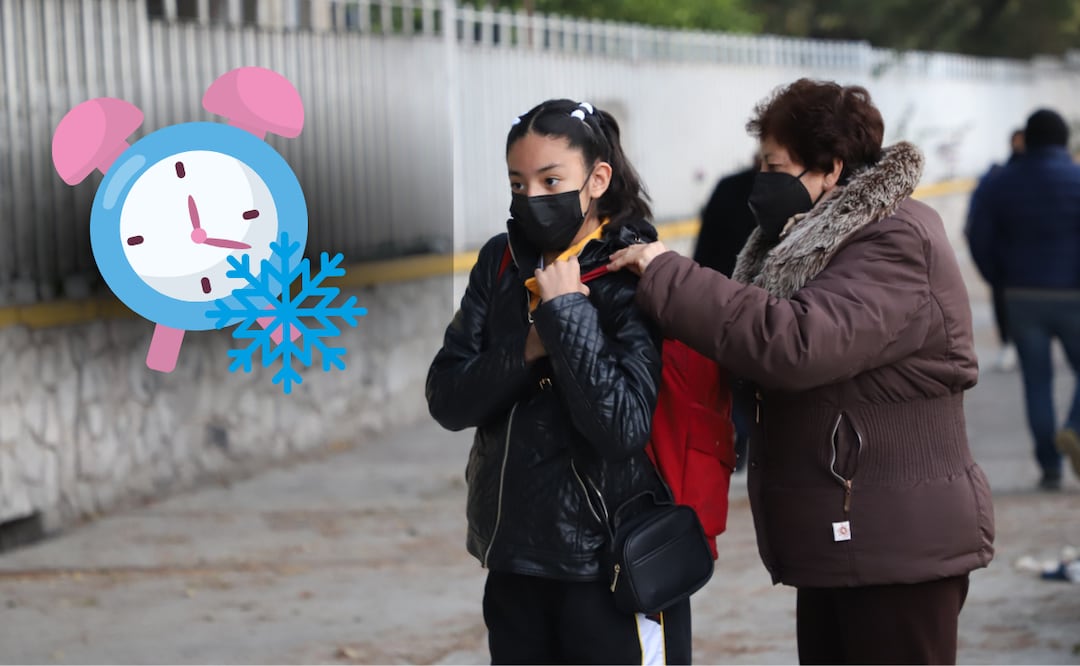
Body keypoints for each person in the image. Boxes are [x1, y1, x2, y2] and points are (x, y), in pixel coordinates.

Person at [609, 78, 995, 665]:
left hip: (895, 543)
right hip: (844, 531)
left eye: (775, 164)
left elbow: (795, 343)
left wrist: (668, 275)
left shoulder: (892, 239)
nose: (761, 179)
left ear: (831, 169)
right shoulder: (807, 242)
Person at [425, 99, 691, 664]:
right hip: (513, 558)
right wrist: (530, 346)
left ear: (597, 179)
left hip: (609, 562)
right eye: (518, 185)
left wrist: (567, 314)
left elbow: (620, 426)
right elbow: (447, 398)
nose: (532, 199)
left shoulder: (631, 271)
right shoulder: (501, 262)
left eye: (551, 180)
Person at [967, 108, 1080, 491]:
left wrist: (998, 277)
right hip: (1073, 295)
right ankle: (1075, 428)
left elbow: (977, 233)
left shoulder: (1001, 182)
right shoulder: (1077, 178)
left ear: (1026, 140)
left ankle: (1049, 467)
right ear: (1065, 141)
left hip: (1021, 295)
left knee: (1037, 382)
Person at [693, 158, 759, 472]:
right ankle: (739, 442)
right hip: (728, 311)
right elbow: (705, 252)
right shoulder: (732, 189)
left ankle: (741, 443)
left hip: (745, 312)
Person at [966, 128, 1025, 372]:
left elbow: (976, 228)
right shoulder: (997, 178)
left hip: (1008, 267)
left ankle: (1010, 346)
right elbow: (978, 229)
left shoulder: (995, 180)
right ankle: (1009, 345)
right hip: (1010, 265)